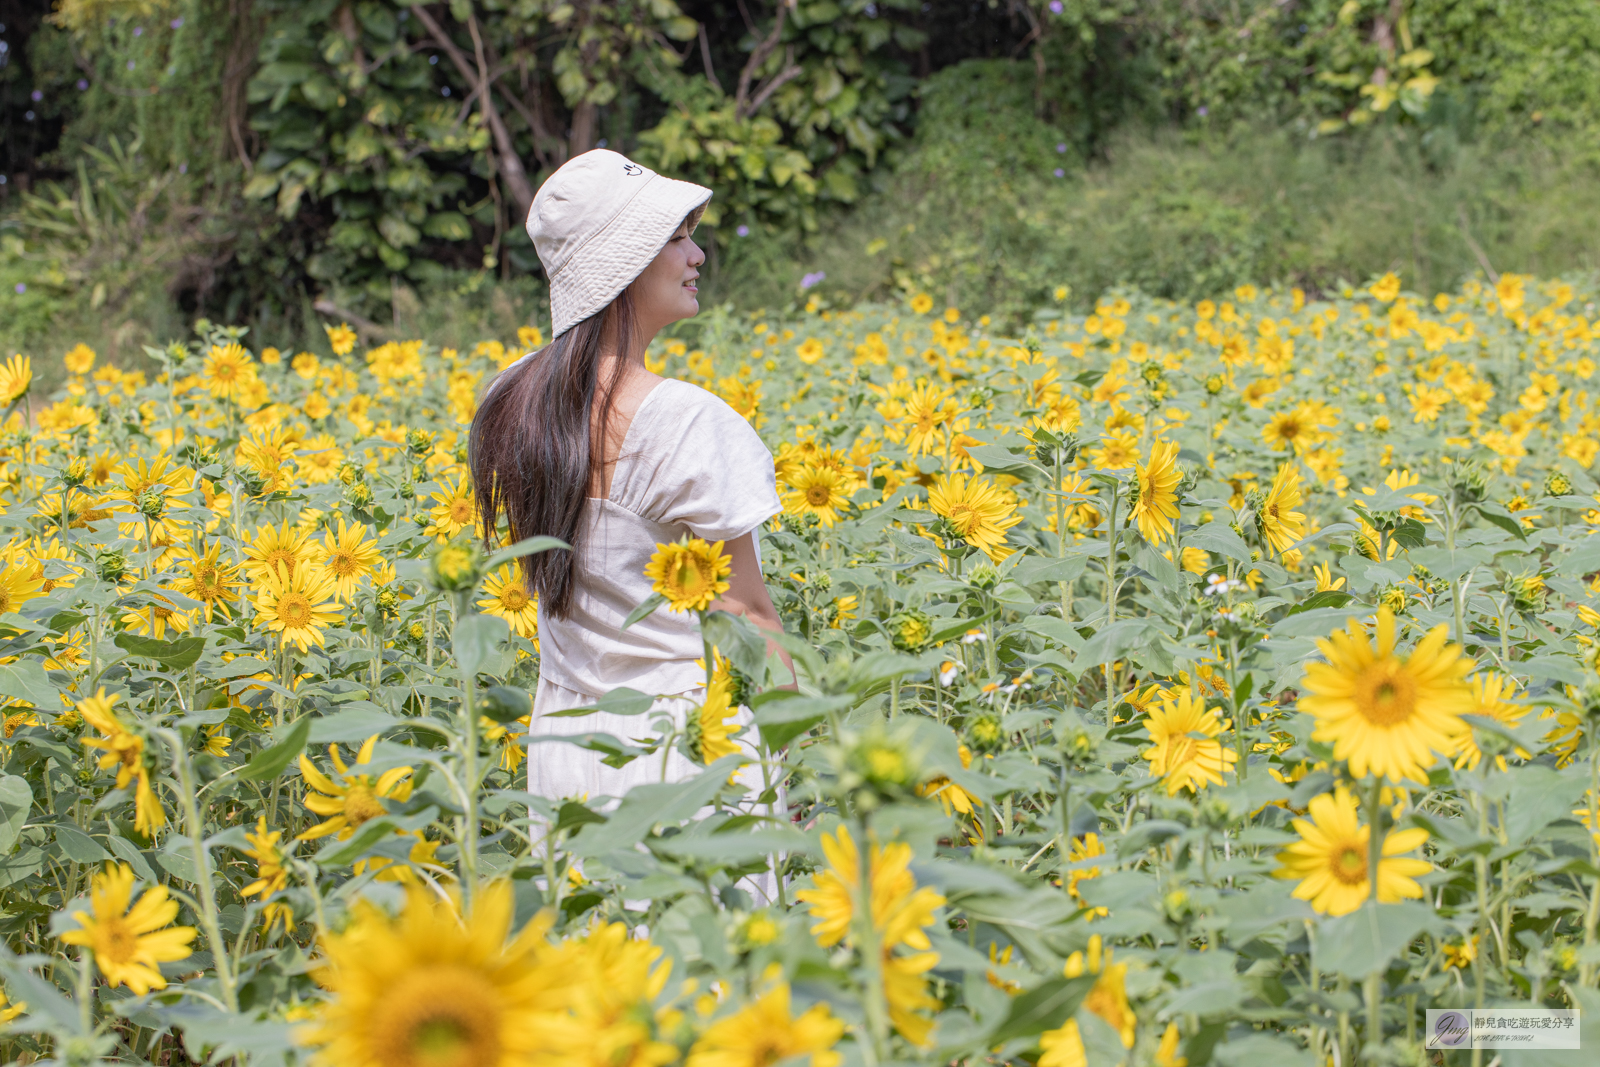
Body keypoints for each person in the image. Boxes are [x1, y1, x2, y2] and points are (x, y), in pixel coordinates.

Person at [469, 148, 790, 810]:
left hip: (564, 752)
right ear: (626, 263)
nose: (696, 255)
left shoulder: (512, 396)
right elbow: (750, 617)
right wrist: (791, 766)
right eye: (675, 239)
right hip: (687, 756)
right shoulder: (684, 420)